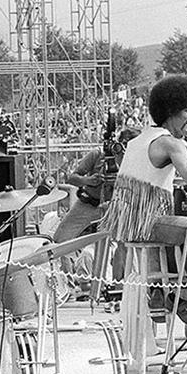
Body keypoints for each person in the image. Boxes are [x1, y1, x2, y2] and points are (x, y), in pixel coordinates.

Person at [99, 74, 187, 363]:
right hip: (149, 223)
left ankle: (165, 291)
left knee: (184, 226)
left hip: (128, 224)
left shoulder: (139, 139)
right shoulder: (170, 143)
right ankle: (186, 294)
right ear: (171, 109)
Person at [53, 127, 140, 297]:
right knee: (59, 242)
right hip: (88, 203)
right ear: (119, 145)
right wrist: (89, 180)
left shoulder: (137, 160)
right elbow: (71, 178)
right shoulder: (97, 154)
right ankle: (66, 288)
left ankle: (117, 288)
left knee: (123, 244)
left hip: (116, 206)